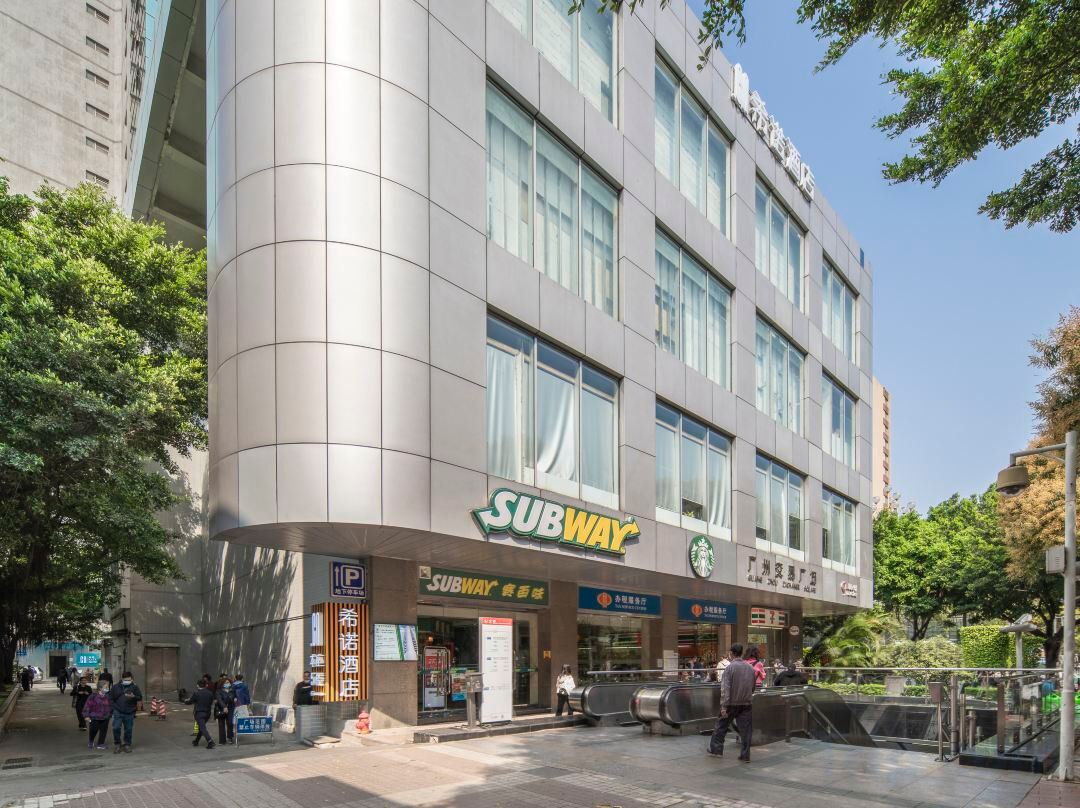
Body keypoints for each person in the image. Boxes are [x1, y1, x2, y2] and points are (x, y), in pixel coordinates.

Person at [708, 643, 755, 762]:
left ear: (731, 653)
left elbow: (725, 689)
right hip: (746, 703)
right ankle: (745, 755)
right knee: (746, 731)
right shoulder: (750, 668)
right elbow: (753, 686)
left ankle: (716, 750)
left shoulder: (730, 668)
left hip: (731, 704)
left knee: (721, 726)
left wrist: (724, 706)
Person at [108, 671, 142, 753]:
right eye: (126, 680)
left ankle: (127, 744)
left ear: (132, 679)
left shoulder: (134, 687)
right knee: (116, 728)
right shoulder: (116, 687)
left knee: (128, 729)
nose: (127, 681)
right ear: (122, 679)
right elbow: (110, 698)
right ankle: (117, 744)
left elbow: (140, 697)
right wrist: (113, 708)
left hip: (130, 711)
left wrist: (134, 696)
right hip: (117, 711)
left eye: (129, 680)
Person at [184, 679, 216, 749]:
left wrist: (185, 701)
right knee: (201, 727)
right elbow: (211, 702)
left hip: (199, 713)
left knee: (202, 728)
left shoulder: (196, 693)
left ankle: (210, 741)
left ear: (198, 685)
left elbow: (190, 702)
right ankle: (196, 741)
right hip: (208, 713)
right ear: (206, 685)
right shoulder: (210, 693)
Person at [82, 682, 112, 750]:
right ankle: (91, 741)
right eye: (106, 687)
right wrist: (86, 715)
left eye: (108, 687)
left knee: (103, 730)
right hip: (95, 717)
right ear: (100, 688)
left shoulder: (108, 696)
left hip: (105, 717)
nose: (107, 688)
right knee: (93, 730)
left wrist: (111, 713)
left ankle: (100, 744)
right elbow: (87, 706)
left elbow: (111, 705)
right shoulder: (93, 696)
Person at [215, 679, 237, 745]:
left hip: (230, 708)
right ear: (222, 684)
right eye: (226, 683)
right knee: (221, 724)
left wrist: (235, 699)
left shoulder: (232, 690)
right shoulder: (218, 691)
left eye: (229, 682)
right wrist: (224, 707)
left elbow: (234, 697)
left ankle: (230, 738)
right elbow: (219, 700)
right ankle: (222, 740)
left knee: (230, 723)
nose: (228, 684)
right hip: (221, 709)